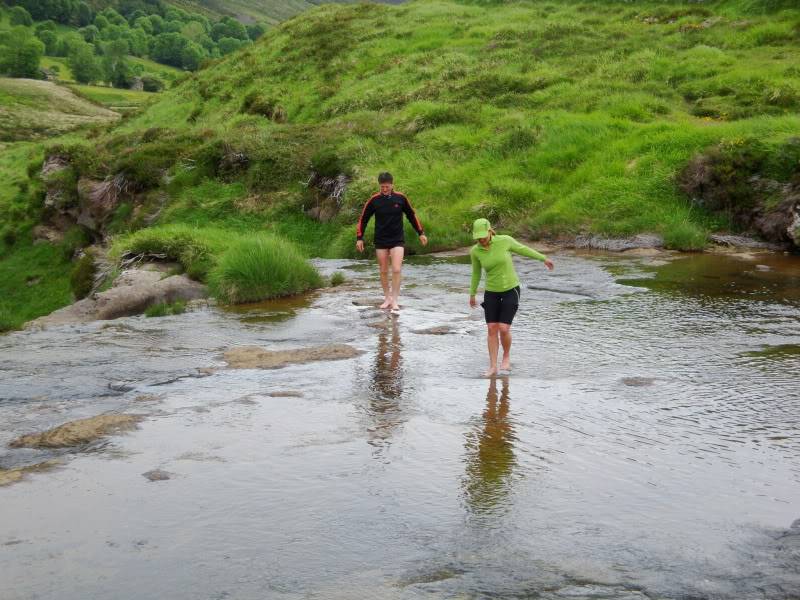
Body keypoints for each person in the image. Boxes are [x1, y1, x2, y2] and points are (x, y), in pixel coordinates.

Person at [469, 218, 554, 377]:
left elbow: (523, 249)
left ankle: (506, 356)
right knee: (491, 328)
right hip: (491, 291)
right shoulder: (475, 251)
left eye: (483, 236)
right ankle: (493, 366)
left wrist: (543, 259)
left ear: (489, 231)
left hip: (510, 289)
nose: (481, 240)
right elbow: (476, 273)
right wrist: (472, 293)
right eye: (478, 237)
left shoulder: (505, 241)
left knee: (503, 328)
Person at [356, 172, 428, 311]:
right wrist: (359, 238)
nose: (384, 189)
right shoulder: (374, 200)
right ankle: (387, 298)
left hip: (397, 239)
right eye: (382, 186)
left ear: (392, 184)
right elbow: (363, 219)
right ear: (379, 185)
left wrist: (421, 233)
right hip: (381, 240)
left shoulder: (400, 198)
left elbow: (411, 215)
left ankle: (395, 300)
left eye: (387, 186)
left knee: (396, 269)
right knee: (383, 271)